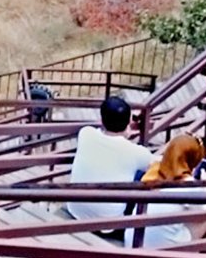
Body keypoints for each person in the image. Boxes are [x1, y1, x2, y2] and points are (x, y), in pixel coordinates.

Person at [66, 93, 154, 226]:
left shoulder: (86, 133)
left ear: (102, 119)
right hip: (108, 223)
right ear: (128, 123)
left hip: (74, 209)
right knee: (142, 175)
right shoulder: (136, 152)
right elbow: (155, 164)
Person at [132, 134, 206, 247]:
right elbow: (205, 211)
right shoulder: (189, 185)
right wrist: (204, 185)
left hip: (133, 241)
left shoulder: (154, 171)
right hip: (161, 250)